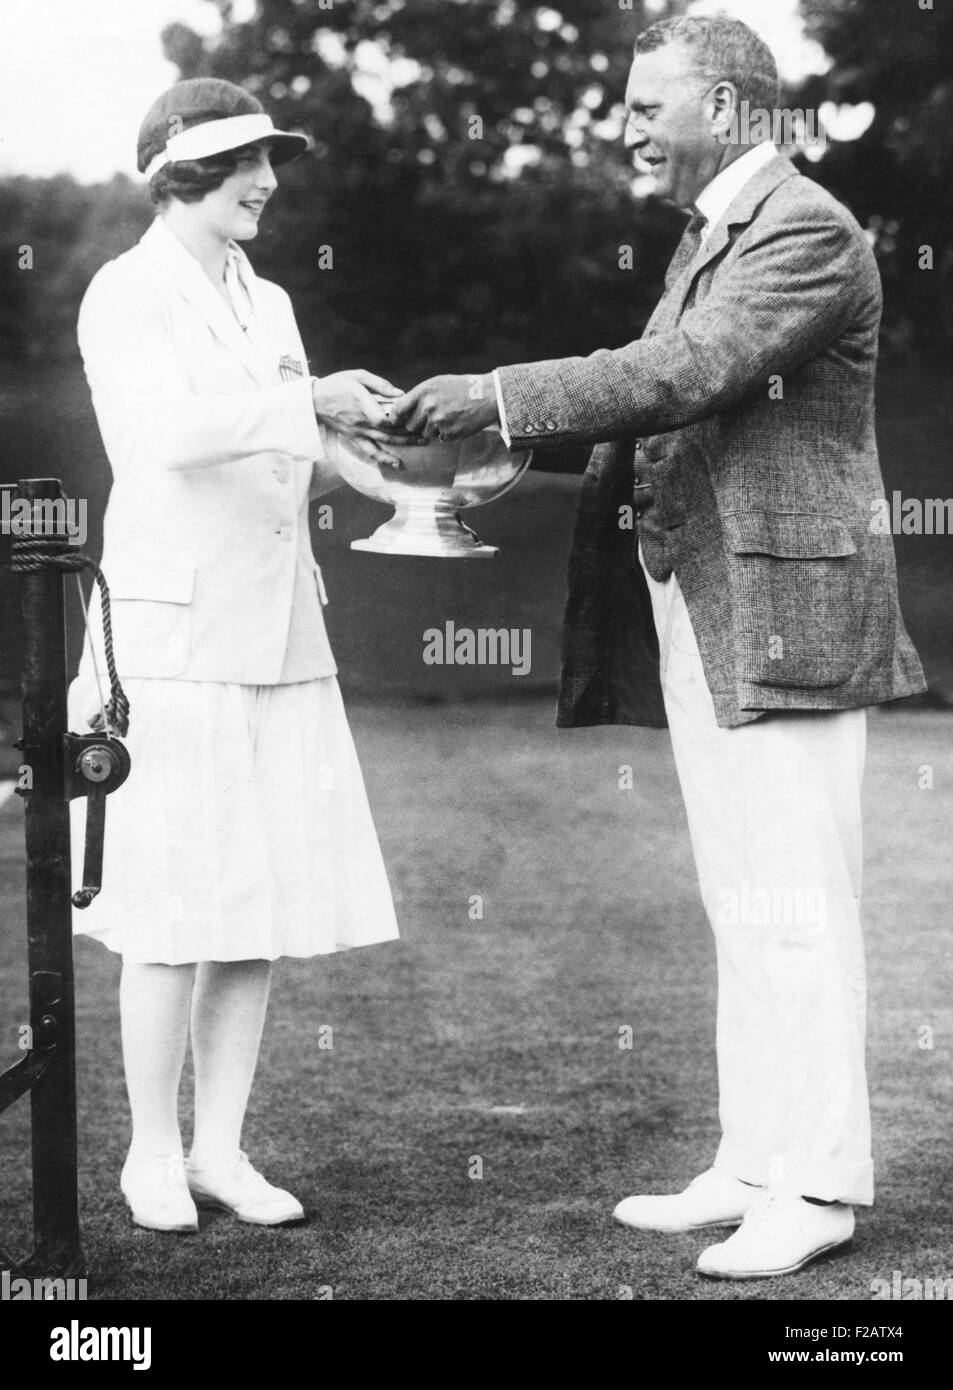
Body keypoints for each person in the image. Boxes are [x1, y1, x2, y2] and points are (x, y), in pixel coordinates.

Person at [390, 16, 927, 1279]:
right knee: (744, 902)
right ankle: (753, 1163)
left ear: (733, 113)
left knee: (793, 908)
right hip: (711, 603)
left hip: (785, 616)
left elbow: (684, 372)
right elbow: (651, 391)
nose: (622, 127)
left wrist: (498, 394)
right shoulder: (712, 236)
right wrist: (480, 451)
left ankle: (817, 1186)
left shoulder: (805, 228)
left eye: (644, 106)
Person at [70, 78, 411, 1233]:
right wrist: (305, 401)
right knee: (172, 909)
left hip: (278, 632)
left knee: (253, 904)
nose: (268, 182)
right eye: (244, 164)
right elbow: (165, 435)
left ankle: (219, 1146)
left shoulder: (265, 297)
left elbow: (285, 447)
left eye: (269, 162)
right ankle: (150, 1152)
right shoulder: (124, 295)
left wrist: (390, 473)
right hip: (173, 641)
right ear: (181, 172)